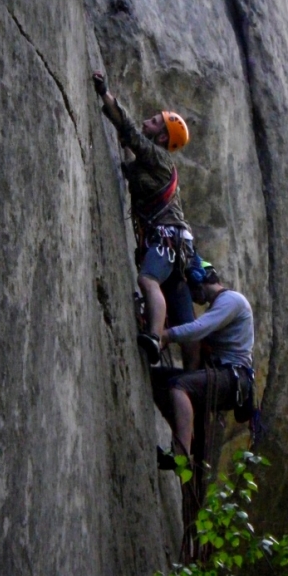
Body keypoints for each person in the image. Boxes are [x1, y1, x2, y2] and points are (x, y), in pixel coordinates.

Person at [92, 71, 200, 368]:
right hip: (177, 244)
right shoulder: (151, 165)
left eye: (153, 122)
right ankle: (192, 378)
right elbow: (130, 166)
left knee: (147, 279)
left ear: (162, 136)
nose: (146, 122)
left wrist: (105, 93)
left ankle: (153, 337)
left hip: (167, 237)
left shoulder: (159, 157)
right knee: (184, 318)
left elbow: (130, 132)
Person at [156, 263, 255, 458]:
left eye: (192, 291)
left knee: (179, 386)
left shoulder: (232, 300)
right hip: (227, 377)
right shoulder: (221, 305)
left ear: (199, 281)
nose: (193, 298)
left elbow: (198, 329)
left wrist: (165, 335)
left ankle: (181, 456)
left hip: (231, 376)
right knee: (158, 380)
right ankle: (183, 436)